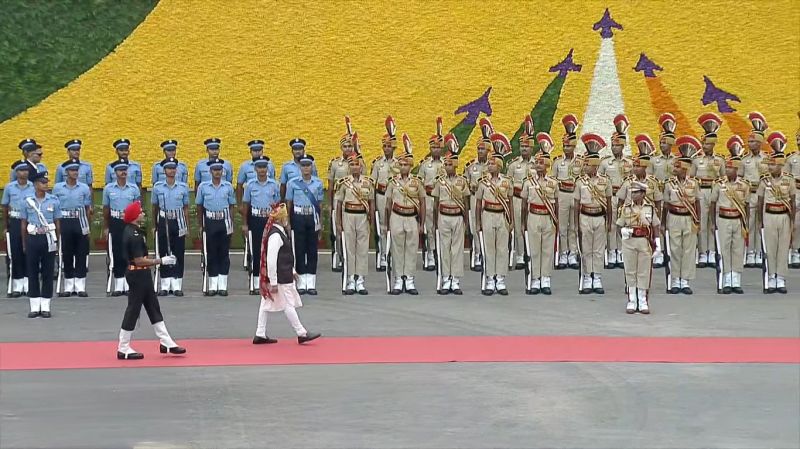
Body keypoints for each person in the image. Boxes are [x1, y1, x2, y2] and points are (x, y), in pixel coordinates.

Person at [116, 201, 185, 360]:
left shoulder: (133, 231)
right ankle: (123, 346)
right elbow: (139, 260)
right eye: (140, 212)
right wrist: (160, 261)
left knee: (153, 307)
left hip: (143, 274)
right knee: (133, 310)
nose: (143, 214)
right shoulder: (134, 235)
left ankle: (166, 341)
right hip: (137, 275)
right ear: (134, 216)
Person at [253, 203, 321, 345]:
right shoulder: (276, 235)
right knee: (287, 304)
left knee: (265, 303)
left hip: (283, 273)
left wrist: (292, 271)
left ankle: (260, 333)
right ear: (281, 219)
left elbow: (283, 257)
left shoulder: (279, 232)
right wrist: (273, 282)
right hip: (280, 277)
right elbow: (271, 260)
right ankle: (301, 332)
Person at [384, 135, 425, 295]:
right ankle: (398, 279)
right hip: (396, 216)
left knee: (411, 249)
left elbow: (422, 202)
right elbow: (388, 204)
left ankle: (409, 279)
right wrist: (387, 223)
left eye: (405, 164)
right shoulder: (393, 182)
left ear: (410, 166)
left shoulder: (417, 182)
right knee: (397, 249)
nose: (403, 167)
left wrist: (422, 223)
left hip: (411, 217)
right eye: (400, 164)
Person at [663, 136, 702, 294]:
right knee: (675, 249)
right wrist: (663, 223)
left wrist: (698, 220)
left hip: (688, 218)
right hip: (673, 217)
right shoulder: (669, 184)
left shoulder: (694, 183)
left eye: (678, 167)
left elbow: (697, 202)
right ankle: (675, 280)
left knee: (688, 250)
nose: (675, 169)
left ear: (685, 169)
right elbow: (665, 205)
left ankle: (685, 281)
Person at [476, 135, 513, 296]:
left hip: (501, 216)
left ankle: (501, 279)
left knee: (502, 248)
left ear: (499, 166)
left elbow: (510, 202)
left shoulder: (507, 181)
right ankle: (490, 279)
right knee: (489, 248)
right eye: (489, 163)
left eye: (492, 164)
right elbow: (478, 204)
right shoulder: (483, 182)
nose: (489, 166)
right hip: (488, 215)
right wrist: (478, 222)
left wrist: (511, 221)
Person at [758, 133, 795, 294]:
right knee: (771, 247)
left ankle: (781, 278)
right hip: (769, 216)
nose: (770, 168)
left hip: (784, 216)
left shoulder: (789, 180)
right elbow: (760, 202)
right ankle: (771, 277)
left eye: (773, 165)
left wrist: (792, 221)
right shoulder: (764, 181)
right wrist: (760, 221)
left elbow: (792, 201)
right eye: (769, 165)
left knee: (783, 248)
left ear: (780, 166)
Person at [432, 134, 469, 294]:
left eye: (449, 164)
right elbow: (435, 203)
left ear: (455, 166)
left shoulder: (462, 181)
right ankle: (446, 279)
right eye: (445, 164)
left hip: (457, 217)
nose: (446, 167)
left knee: (457, 249)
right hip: (444, 216)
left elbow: (466, 203)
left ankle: (455, 280)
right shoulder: (440, 182)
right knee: (444, 248)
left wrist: (466, 221)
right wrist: (435, 222)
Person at [574, 139, 612, 295]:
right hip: (585, 216)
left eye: (588, 164)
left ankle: (597, 277)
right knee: (586, 249)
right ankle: (587, 276)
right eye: (585, 164)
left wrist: (609, 221)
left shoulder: (605, 181)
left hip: (600, 217)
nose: (585, 167)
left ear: (595, 165)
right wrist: (576, 224)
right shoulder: (580, 182)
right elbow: (576, 204)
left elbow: (609, 203)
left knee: (598, 249)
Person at [21, 171, 61, 318]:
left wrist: (58, 241)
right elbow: (23, 223)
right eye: (42, 182)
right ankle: (34, 306)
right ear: (35, 184)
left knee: (48, 272)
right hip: (33, 237)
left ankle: (45, 306)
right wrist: (24, 243)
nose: (45, 185)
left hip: (48, 238)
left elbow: (57, 221)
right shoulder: (27, 201)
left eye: (46, 182)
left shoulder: (54, 200)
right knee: (32, 272)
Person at [335, 149, 374, 294]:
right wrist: (338, 223)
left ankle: (361, 280)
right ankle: (351, 279)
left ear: (361, 166)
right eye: (352, 165)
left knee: (362, 249)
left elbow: (372, 203)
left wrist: (371, 220)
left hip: (363, 216)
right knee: (350, 249)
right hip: (348, 216)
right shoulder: (344, 183)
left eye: (357, 164)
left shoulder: (368, 182)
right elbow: (339, 204)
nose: (355, 167)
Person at [616, 181, 660, 314]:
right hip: (629, 242)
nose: (633, 195)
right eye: (632, 192)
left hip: (644, 242)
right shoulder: (626, 208)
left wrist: (657, 243)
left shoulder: (650, 208)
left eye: (636, 192)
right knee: (630, 271)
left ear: (643, 194)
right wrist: (624, 233)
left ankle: (642, 300)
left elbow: (655, 225)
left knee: (643, 271)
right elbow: (619, 225)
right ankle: (632, 300)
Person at [521, 141, 558, 295]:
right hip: (533, 216)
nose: (538, 165)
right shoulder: (528, 182)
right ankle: (535, 279)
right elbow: (524, 204)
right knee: (535, 249)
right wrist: (523, 223)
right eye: (536, 162)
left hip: (548, 218)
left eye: (541, 163)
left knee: (547, 249)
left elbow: (556, 204)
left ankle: (545, 279)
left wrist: (556, 222)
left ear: (547, 165)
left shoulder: (553, 183)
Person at [285, 151, 324, 294]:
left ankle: (311, 282)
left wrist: (321, 223)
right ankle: (301, 282)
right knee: (299, 249)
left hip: (312, 217)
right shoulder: (292, 183)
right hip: (298, 217)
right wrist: (288, 222)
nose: (306, 168)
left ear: (312, 167)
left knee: (312, 249)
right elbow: (289, 204)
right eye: (303, 165)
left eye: (308, 165)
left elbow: (320, 205)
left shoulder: (318, 183)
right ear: (300, 167)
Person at [52, 159, 92, 297]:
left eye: (76, 170)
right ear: (66, 172)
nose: (75, 172)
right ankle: (69, 285)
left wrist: (87, 226)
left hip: (80, 221)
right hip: (64, 221)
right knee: (67, 253)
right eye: (72, 170)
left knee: (81, 253)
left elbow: (87, 208)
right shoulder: (58, 188)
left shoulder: (84, 188)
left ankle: (80, 285)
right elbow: (55, 208)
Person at [196, 158, 236, 296]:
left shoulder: (228, 186)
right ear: (210, 171)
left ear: (222, 171)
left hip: (224, 221)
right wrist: (200, 225)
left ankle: (223, 285)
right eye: (215, 170)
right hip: (210, 221)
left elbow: (231, 206)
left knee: (224, 253)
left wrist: (231, 223)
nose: (217, 172)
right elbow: (199, 206)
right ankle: (213, 284)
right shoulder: (203, 187)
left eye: (219, 170)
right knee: (211, 253)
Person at [710, 156, 749, 294]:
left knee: (738, 249)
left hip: (738, 219)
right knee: (724, 249)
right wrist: (713, 223)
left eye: (730, 168)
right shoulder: (719, 184)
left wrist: (746, 223)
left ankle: (736, 279)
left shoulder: (744, 185)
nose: (727, 170)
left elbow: (747, 205)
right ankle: (726, 279)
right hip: (723, 219)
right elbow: (713, 203)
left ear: (736, 169)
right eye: (726, 167)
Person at [241, 156, 280, 294]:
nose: (262, 170)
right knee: (256, 250)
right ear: (255, 169)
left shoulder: (274, 184)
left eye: (264, 167)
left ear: (267, 169)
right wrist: (245, 224)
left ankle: (269, 280)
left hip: (269, 220)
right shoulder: (250, 185)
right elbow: (246, 205)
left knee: (270, 250)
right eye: (259, 167)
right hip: (255, 219)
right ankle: (256, 281)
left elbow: (277, 205)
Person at [152, 157, 190, 296]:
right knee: (164, 251)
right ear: (164, 170)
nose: (171, 171)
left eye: (174, 168)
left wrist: (187, 226)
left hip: (178, 220)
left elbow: (185, 208)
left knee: (178, 252)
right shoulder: (158, 187)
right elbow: (154, 207)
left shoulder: (183, 187)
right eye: (169, 168)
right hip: (164, 220)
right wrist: (154, 225)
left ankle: (177, 284)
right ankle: (165, 284)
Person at [598, 114, 633, 269]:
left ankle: (622, 251)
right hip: (611, 197)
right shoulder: (605, 163)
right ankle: (612, 252)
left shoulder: (630, 162)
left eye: (617, 145)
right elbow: (599, 180)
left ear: (623, 146)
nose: (614, 148)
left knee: (624, 224)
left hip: (626, 198)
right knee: (611, 224)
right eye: (612, 145)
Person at [103, 159, 141, 296]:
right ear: (115, 172)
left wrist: (137, 225)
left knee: (130, 253)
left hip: (129, 222)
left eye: (125, 170)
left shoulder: (134, 188)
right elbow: (106, 209)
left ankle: (130, 284)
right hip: (116, 221)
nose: (123, 172)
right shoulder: (109, 189)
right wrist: (106, 226)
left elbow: (137, 207)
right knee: (117, 252)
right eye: (120, 170)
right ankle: (119, 284)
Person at [693, 113, 725, 269]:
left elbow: (724, 178)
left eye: (707, 144)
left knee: (714, 222)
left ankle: (712, 251)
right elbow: (691, 178)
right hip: (701, 192)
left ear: (713, 145)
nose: (704, 146)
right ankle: (702, 252)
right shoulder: (696, 160)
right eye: (703, 143)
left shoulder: (720, 160)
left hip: (715, 192)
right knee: (702, 222)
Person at [551, 114, 581, 269]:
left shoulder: (581, 161)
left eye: (569, 146)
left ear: (574, 146)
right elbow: (553, 181)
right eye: (564, 146)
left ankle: (573, 253)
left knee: (574, 226)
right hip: (562, 195)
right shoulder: (557, 162)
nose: (566, 148)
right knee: (562, 226)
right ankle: (563, 253)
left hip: (575, 195)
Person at [507, 115, 537, 269]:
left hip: (533, 200)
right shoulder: (513, 165)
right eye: (522, 146)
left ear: (532, 148)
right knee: (519, 228)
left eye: (527, 146)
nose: (524, 149)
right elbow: (508, 185)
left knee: (532, 228)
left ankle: (532, 254)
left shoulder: (537, 163)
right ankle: (519, 256)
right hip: (518, 200)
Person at [371, 117, 400, 272]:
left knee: (395, 226)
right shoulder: (378, 163)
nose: (386, 149)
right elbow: (372, 183)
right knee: (382, 226)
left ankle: (394, 254)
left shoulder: (399, 163)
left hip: (396, 197)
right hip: (381, 196)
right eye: (384, 146)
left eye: (389, 146)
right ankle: (383, 255)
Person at [2, 161, 35, 297]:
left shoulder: (33, 186)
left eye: (26, 170)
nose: (24, 173)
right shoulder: (9, 187)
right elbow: (5, 207)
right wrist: (6, 226)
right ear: (16, 173)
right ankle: (17, 284)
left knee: (28, 252)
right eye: (21, 170)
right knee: (15, 252)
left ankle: (27, 283)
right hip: (15, 221)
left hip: (29, 222)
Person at [464, 119, 493, 271]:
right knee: (475, 228)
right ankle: (477, 254)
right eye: (479, 149)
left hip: (488, 200)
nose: (480, 151)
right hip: (475, 198)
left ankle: (487, 254)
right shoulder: (471, 167)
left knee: (487, 227)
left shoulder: (493, 165)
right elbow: (464, 185)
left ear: (488, 151)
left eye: (483, 149)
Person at [417, 118, 445, 271]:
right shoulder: (424, 165)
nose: (435, 150)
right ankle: (430, 254)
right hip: (428, 199)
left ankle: (441, 254)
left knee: (441, 226)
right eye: (433, 147)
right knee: (430, 227)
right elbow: (419, 184)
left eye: (438, 147)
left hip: (442, 199)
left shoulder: (446, 164)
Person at [328, 120, 356, 272]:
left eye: (350, 146)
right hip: (338, 200)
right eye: (345, 146)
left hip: (352, 201)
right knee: (338, 231)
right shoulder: (335, 164)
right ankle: (339, 257)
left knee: (351, 231)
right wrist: (330, 204)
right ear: (341, 148)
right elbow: (330, 185)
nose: (348, 149)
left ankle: (350, 258)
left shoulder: (358, 162)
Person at [785, 120, 800, 268]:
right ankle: (795, 251)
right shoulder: (791, 159)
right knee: (795, 223)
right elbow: (785, 179)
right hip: (796, 191)